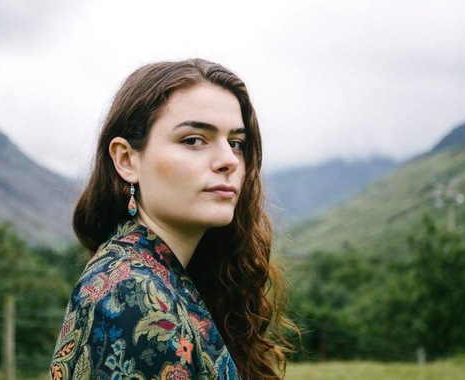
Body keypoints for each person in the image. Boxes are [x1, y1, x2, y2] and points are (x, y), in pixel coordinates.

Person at [48, 58, 297, 380]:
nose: (228, 161)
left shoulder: (163, 273)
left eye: (237, 143)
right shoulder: (131, 295)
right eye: (194, 140)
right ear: (127, 160)